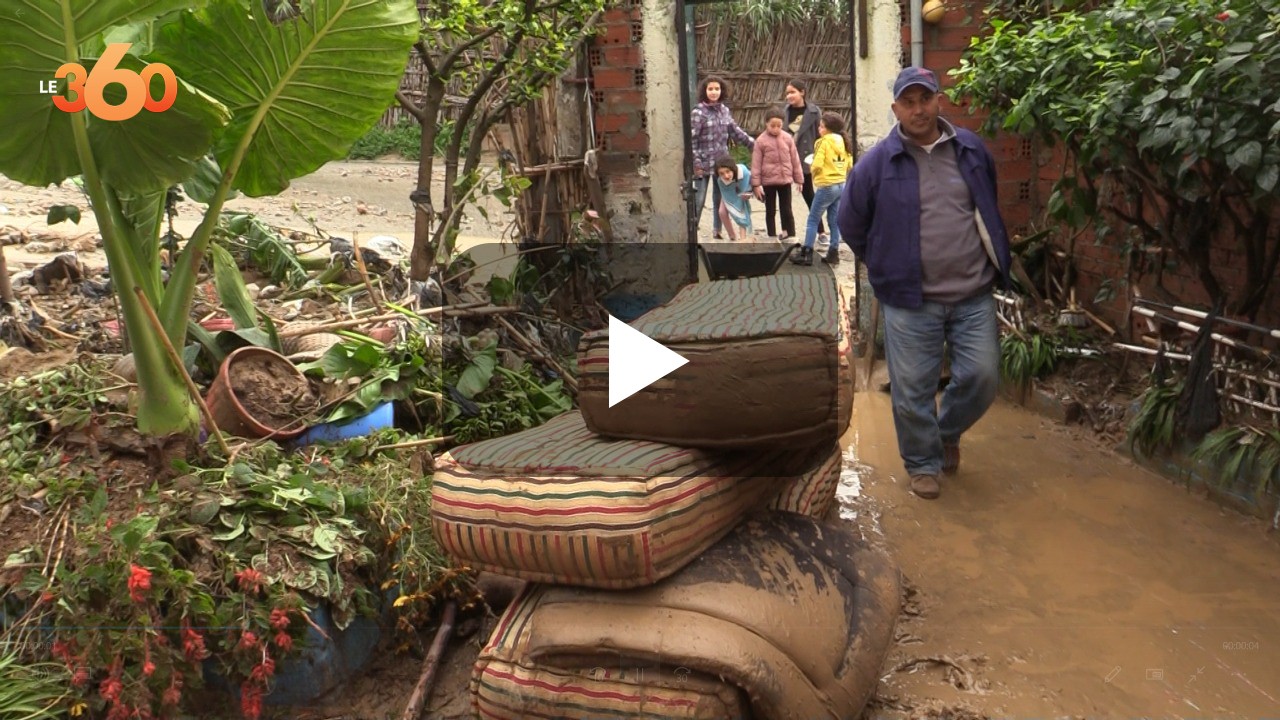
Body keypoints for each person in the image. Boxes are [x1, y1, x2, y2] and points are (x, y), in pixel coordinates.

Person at [836, 66, 1012, 500]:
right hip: (910, 300)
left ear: (938, 100)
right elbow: (850, 222)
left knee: (983, 377)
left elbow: (987, 202)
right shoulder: (878, 163)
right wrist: (884, 261)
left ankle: (945, 432)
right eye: (908, 102)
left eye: (925, 99)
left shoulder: (970, 149)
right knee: (912, 389)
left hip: (973, 293)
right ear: (896, 108)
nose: (918, 109)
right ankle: (922, 464)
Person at [691, 77, 754, 239]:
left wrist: (754, 145)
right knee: (699, 199)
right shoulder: (698, 113)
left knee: (720, 198)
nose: (714, 92)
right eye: (710, 89)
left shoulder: (724, 110)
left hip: (722, 165)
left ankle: (717, 230)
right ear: (704, 91)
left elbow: (735, 131)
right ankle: (691, 233)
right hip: (703, 163)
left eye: (717, 89)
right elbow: (692, 140)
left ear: (722, 91)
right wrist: (696, 162)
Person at [792, 113, 849, 266]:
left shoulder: (822, 142)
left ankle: (807, 254)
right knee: (833, 220)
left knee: (813, 219)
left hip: (827, 184)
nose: (819, 128)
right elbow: (849, 163)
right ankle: (833, 252)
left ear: (828, 129)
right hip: (840, 184)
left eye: (822, 126)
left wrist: (814, 172)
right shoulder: (843, 141)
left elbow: (816, 164)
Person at [780, 80, 826, 246]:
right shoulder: (784, 111)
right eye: (787, 93)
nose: (789, 96)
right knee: (784, 196)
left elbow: (820, 135)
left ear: (802, 92)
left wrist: (818, 156)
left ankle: (821, 231)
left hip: (805, 157)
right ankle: (786, 231)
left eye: (792, 92)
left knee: (809, 195)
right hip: (785, 158)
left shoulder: (814, 112)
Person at [750, 108, 804, 240]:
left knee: (787, 209)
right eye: (772, 126)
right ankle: (772, 236)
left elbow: (795, 159)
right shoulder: (761, 141)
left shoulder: (787, 138)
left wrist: (799, 179)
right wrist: (756, 184)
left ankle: (789, 235)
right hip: (769, 182)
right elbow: (756, 164)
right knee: (770, 211)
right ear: (766, 124)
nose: (775, 129)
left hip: (785, 181)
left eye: (779, 126)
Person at [713, 155, 754, 240]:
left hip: (744, 188)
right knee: (722, 212)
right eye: (721, 173)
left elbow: (745, 190)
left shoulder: (743, 172)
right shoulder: (721, 181)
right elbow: (727, 195)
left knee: (743, 209)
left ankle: (744, 236)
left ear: (732, 168)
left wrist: (750, 192)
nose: (726, 175)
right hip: (729, 192)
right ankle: (732, 236)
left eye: (728, 171)